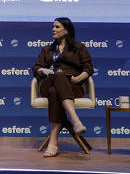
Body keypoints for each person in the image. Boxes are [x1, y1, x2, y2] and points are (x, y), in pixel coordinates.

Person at [32, 17, 93, 157]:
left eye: (57, 27)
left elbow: (89, 68)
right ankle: (75, 120)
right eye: (53, 27)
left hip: (72, 86)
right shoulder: (48, 49)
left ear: (66, 30)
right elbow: (35, 68)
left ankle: (53, 143)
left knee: (55, 92)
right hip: (49, 82)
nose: (53, 29)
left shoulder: (79, 48)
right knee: (58, 76)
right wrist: (43, 70)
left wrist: (78, 78)